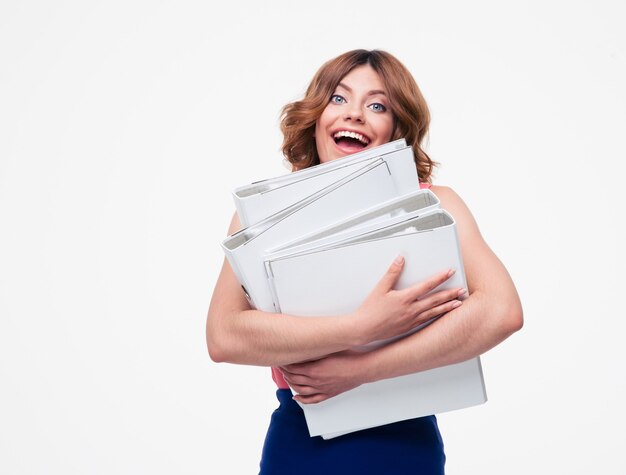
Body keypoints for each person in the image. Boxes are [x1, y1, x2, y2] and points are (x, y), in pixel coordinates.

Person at [206, 49, 523, 474]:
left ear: (397, 127)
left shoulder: (435, 204)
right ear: (316, 116)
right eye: (339, 98)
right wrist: (361, 327)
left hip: (403, 445)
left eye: (377, 105)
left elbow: (501, 312)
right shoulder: (262, 217)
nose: (354, 114)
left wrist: (360, 369)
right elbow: (223, 336)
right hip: (301, 444)